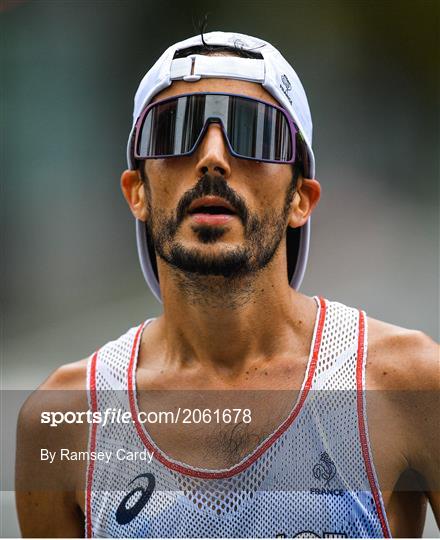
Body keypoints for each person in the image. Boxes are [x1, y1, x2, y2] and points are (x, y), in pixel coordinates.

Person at [16, 31, 439, 538]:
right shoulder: (63, 419)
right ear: (137, 193)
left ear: (301, 198)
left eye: (254, 131)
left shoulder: (407, 385)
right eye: (175, 130)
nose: (212, 158)